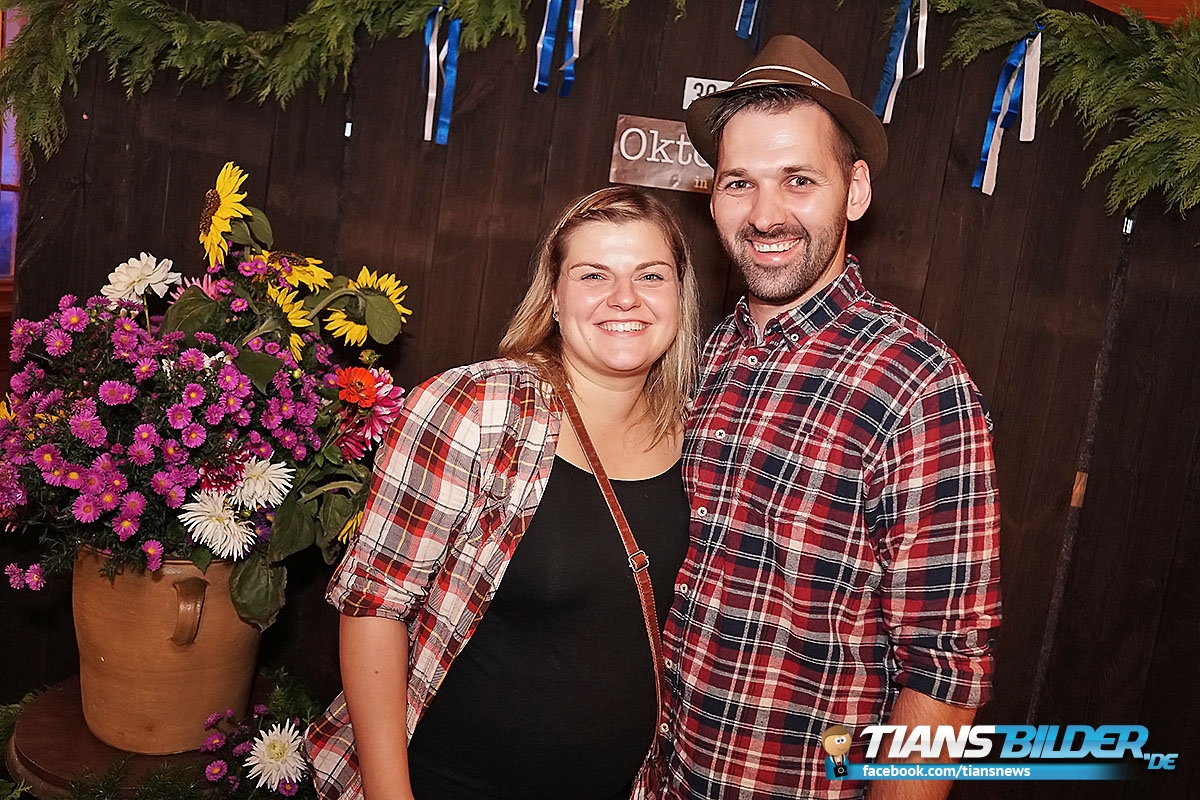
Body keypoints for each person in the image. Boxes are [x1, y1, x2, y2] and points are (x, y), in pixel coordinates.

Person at [661, 35, 1002, 799]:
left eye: (798, 180)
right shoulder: (701, 357)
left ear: (854, 191)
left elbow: (944, 673)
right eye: (740, 183)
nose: (765, 215)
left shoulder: (918, 386)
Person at [306, 186, 700, 800]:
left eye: (650, 275)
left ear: (680, 294)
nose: (625, 298)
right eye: (593, 275)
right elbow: (373, 607)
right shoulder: (481, 408)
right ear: (554, 296)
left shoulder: (700, 433)